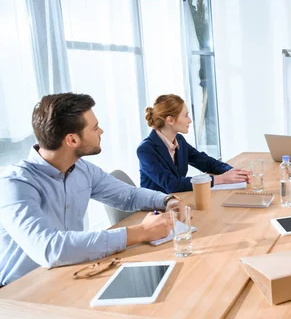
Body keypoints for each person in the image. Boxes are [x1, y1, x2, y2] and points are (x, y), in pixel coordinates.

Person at [0, 93, 183, 286]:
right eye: (95, 128)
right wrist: (141, 232)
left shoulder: (82, 169)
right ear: (72, 140)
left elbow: (128, 195)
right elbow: (49, 248)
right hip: (20, 293)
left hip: (70, 274)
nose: (101, 131)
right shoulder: (15, 184)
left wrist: (166, 200)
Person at [138, 94, 250, 193]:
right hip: (155, 211)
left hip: (178, 202)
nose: (190, 120)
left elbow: (206, 162)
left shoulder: (179, 140)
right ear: (170, 120)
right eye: (186, 115)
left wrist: (233, 172)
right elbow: (172, 184)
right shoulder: (146, 150)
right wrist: (221, 179)